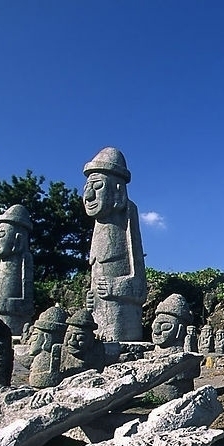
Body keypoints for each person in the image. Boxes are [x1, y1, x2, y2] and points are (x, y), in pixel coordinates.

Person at [83, 147, 147, 342]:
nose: (88, 195)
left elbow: (139, 286)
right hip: (98, 321)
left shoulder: (128, 212)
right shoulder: (98, 226)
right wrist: (92, 297)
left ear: (118, 190)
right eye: (87, 186)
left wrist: (115, 287)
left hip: (121, 322)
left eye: (98, 186)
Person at [0, 204, 34, 336]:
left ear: (18, 240)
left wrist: (1, 303)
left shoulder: (25, 260)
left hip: (14, 325)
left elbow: (26, 301)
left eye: (1, 235)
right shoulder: (3, 263)